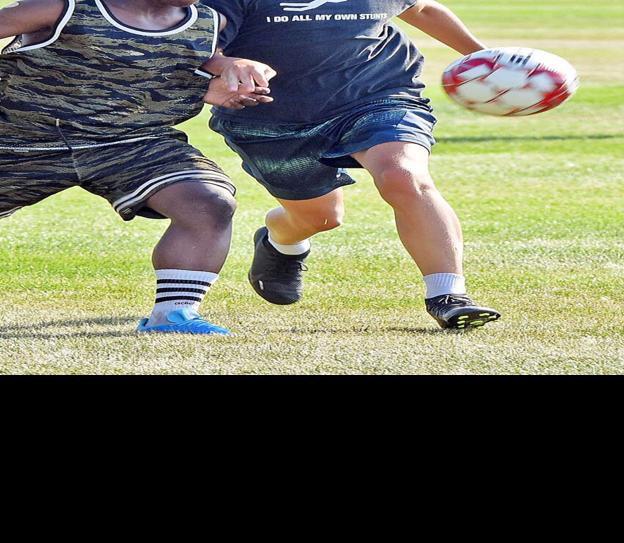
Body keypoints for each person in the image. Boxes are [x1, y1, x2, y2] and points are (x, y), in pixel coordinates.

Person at [204, 0, 501, 330]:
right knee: (321, 217)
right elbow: (198, 44)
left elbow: (421, 10)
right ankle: (281, 241)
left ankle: (449, 296)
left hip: (377, 93)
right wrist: (229, 63)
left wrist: (485, 58)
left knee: (402, 175)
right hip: (270, 116)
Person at [0, 0, 276, 335]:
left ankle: (173, 315)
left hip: (134, 141)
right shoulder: (64, 8)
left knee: (208, 202)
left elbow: (195, 61)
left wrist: (230, 68)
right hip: (23, 140)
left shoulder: (207, 20)